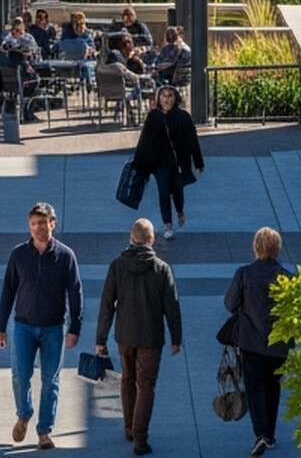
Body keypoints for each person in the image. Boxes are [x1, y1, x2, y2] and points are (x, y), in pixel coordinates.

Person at [0, 202, 83, 450]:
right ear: (29, 226)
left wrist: (75, 327)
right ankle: (24, 413)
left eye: (43, 223)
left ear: (53, 224)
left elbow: (75, 292)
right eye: (34, 224)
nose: (38, 228)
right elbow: (8, 290)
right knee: (20, 374)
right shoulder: (19, 254)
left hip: (54, 328)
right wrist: (0, 326)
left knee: (51, 380)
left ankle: (44, 431)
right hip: (23, 326)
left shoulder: (65, 256)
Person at [94, 218, 183, 456]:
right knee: (146, 386)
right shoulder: (161, 268)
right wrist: (177, 337)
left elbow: (106, 305)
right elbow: (172, 306)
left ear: (131, 238)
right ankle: (140, 439)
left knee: (127, 379)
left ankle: (129, 428)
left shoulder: (117, 266)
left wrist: (100, 339)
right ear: (151, 240)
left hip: (124, 334)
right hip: (151, 338)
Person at [226, 227, 292, 456]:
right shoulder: (288, 277)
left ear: (256, 248)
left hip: (251, 342)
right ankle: (270, 435)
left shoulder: (244, 273)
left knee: (254, 389)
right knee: (273, 387)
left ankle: (261, 434)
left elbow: (230, 304)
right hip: (279, 345)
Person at [131, 86, 203, 239]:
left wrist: (198, 162)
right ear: (158, 99)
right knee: (163, 192)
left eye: (170, 96)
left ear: (175, 98)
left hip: (178, 162)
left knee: (177, 190)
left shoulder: (183, 116)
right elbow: (144, 140)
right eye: (163, 96)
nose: (167, 99)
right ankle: (168, 225)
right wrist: (138, 161)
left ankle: (179, 211)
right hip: (159, 163)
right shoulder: (153, 117)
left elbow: (192, 140)